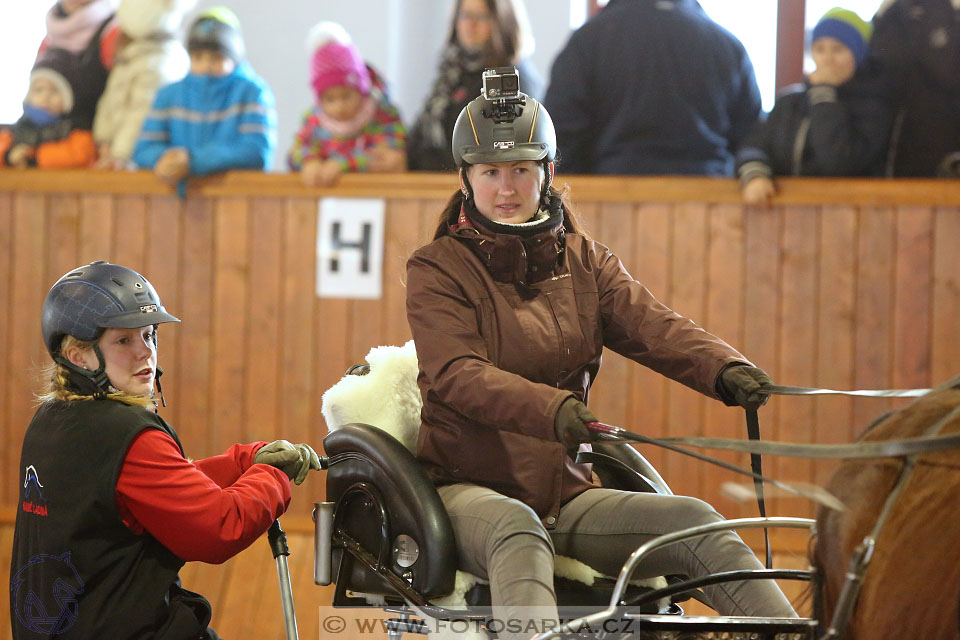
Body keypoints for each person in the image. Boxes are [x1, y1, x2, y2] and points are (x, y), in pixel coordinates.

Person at [404, 75, 796, 640]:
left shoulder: (586, 260)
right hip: (467, 490)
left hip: (565, 492)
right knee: (516, 530)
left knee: (694, 521)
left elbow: (652, 324)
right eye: (490, 172)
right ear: (467, 179)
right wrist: (554, 409)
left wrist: (723, 368)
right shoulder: (436, 268)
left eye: (521, 170)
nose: (507, 187)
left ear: (549, 173)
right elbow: (456, 375)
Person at [9, 261, 321, 640]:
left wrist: (243, 462)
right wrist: (274, 475)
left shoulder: (52, 420)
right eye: (124, 340)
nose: (146, 353)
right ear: (79, 355)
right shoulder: (127, 432)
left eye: (149, 335)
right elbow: (219, 526)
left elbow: (154, 488)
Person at [543, 0, 761, 175]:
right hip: (713, 203)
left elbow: (559, 137)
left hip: (609, 201)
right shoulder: (727, 45)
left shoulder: (587, 41)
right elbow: (752, 138)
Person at [736, 8, 894, 205]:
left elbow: (838, 161)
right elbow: (754, 145)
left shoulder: (873, 107)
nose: (827, 59)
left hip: (847, 217)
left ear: (859, 54)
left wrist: (823, 95)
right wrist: (755, 173)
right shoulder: (790, 102)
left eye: (838, 49)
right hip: (784, 214)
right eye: (819, 49)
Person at [132, 7, 276, 194]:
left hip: (233, 199)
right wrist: (165, 160)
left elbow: (256, 152)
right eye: (198, 57)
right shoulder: (169, 95)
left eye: (216, 58)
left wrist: (194, 160)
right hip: (175, 201)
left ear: (233, 57)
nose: (206, 66)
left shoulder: (252, 93)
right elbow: (143, 149)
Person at [406, 0, 542, 172]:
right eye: (465, 15)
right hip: (433, 183)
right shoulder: (451, 74)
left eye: (481, 16)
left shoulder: (510, 78)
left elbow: (499, 152)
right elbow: (422, 136)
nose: (471, 24)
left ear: (502, 21)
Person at [287, 21, 406, 188]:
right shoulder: (314, 120)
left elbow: (386, 156)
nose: (339, 106)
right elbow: (296, 152)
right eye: (330, 99)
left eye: (346, 96)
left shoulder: (384, 116)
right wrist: (309, 162)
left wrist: (341, 165)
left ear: (362, 89)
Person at [93, 0, 194, 169]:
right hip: (110, 157)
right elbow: (108, 103)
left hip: (133, 164)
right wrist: (103, 142)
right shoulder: (129, 56)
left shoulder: (162, 62)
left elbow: (141, 114)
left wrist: (120, 155)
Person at [870, 0, 960, 177]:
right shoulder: (890, 12)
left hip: (944, 129)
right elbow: (874, 67)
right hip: (893, 131)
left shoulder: (953, 11)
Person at [0, 50, 97, 169]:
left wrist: (34, 158)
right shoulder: (17, 129)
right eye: (39, 90)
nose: (46, 97)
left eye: (54, 91)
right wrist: (8, 156)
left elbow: (80, 155)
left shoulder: (75, 128)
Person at [38, 0, 122, 131]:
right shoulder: (49, 39)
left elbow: (120, 98)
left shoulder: (113, 32)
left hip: (93, 138)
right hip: (46, 136)